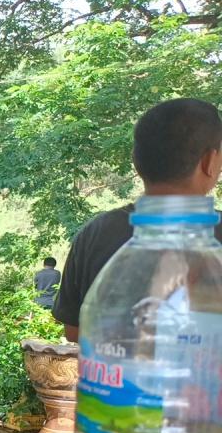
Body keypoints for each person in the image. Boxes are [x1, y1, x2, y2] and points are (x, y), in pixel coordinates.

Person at [53, 98, 222, 342]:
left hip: (114, 366)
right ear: (209, 162)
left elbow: (75, 331)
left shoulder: (95, 232)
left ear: (136, 161)